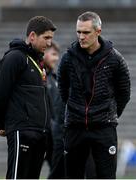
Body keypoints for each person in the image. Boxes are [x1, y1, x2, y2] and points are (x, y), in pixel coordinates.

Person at [57, 11, 130, 179]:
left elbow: (124, 92)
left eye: (86, 32)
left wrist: (108, 113)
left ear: (98, 32)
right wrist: (76, 111)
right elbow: (63, 89)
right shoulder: (68, 58)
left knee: (106, 176)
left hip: (104, 127)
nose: (81, 36)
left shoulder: (115, 59)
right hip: (75, 127)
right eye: (78, 32)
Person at [0, 16, 56, 179]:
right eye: (46, 38)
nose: (49, 43)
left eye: (51, 38)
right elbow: (0, 94)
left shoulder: (38, 62)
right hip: (22, 130)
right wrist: (2, 125)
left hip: (40, 133)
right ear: (32, 36)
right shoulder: (14, 57)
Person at [43, 42, 65, 178]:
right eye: (53, 54)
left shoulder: (55, 79)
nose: (56, 58)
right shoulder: (36, 76)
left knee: (60, 173)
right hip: (41, 135)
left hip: (54, 137)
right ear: (44, 53)